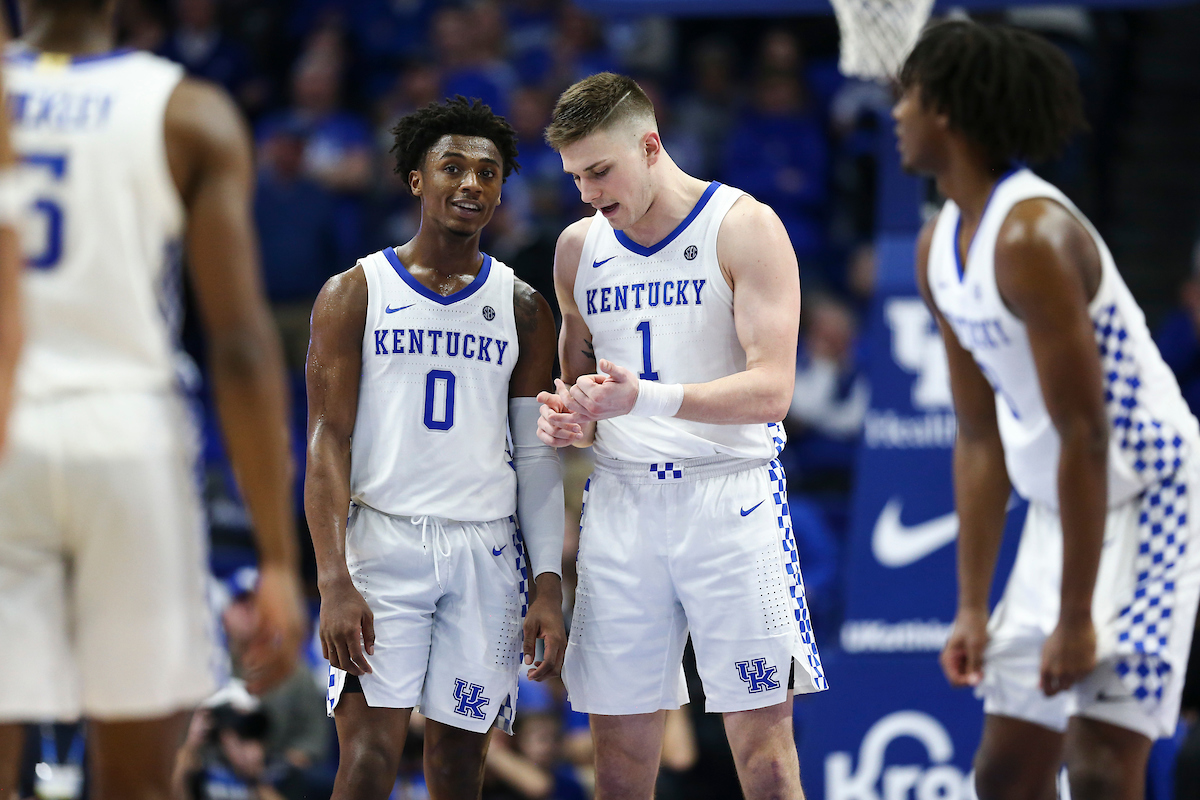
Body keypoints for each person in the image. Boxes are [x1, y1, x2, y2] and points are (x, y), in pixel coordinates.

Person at [0, 0, 308, 797]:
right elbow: (240, 349)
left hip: (6, 429)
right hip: (129, 438)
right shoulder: (190, 111)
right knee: (138, 780)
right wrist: (277, 557)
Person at [895, 20, 1200, 799]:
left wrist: (1073, 618)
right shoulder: (938, 248)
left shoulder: (1033, 232)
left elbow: (1086, 433)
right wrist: (970, 605)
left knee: (1100, 768)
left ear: (951, 113)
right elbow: (976, 436)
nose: (897, 112)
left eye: (914, 97)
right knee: (1005, 772)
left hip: (1149, 497)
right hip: (1061, 506)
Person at [536, 72, 826, 800]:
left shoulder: (742, 225)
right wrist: (569, 414)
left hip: (731, 503)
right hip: (623, 507)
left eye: (600, 171)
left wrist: (647, 399)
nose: (589, 194)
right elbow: (575, 382)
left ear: (652, 145)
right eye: (575, 178)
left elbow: (773, 391)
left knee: (766, 757)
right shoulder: (577, 248)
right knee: (619, 766)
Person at [306, 96, 567, 800]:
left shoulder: (523, 307)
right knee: (367, 760)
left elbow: (537, 457)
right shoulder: (354, 293)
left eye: (487, 172)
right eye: (453, 167)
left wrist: (547, 581)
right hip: (383, 543)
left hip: (484, 552)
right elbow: (327, 442)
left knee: (459, 769)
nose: (471, 184)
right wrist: (333, 577)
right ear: (417, 179)